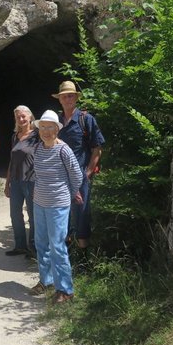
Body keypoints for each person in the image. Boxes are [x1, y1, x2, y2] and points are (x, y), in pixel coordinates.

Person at [29, 110, 83, 304]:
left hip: (58, 205)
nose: (45, 131)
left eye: (50, 127)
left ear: (57, 129)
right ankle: (46, 281)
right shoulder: (37, 148)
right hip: (39, 203)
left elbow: (77, 176)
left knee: (57, 246)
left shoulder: (63, 150)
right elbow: (38, 174)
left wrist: (67, 195)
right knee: (41, 243)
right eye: (42, 127)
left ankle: (65, 290)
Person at [53, 81, 105, 262]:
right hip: (59, 178)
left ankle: (83, 260)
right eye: (64, 96)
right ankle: (65, 258)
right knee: (61, 215)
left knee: (82, 214)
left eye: (70, 95)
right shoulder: (55, 122)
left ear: (75, 98)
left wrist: (88, 173)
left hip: (80, 177)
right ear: (59, 99)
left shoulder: (86, 119)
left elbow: (97, 148)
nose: (67, 99)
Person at [4, 105, 39, 258]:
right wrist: (7, 183)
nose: (21, 119)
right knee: (15, 214)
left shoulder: (37, 135)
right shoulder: (15, 136)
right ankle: (20, 246)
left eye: (24, 116)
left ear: (30, 117)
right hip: (16, 181)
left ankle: (33, 248)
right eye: (18, 117)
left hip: (32, 180)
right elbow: (12, 161)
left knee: (33, 215)